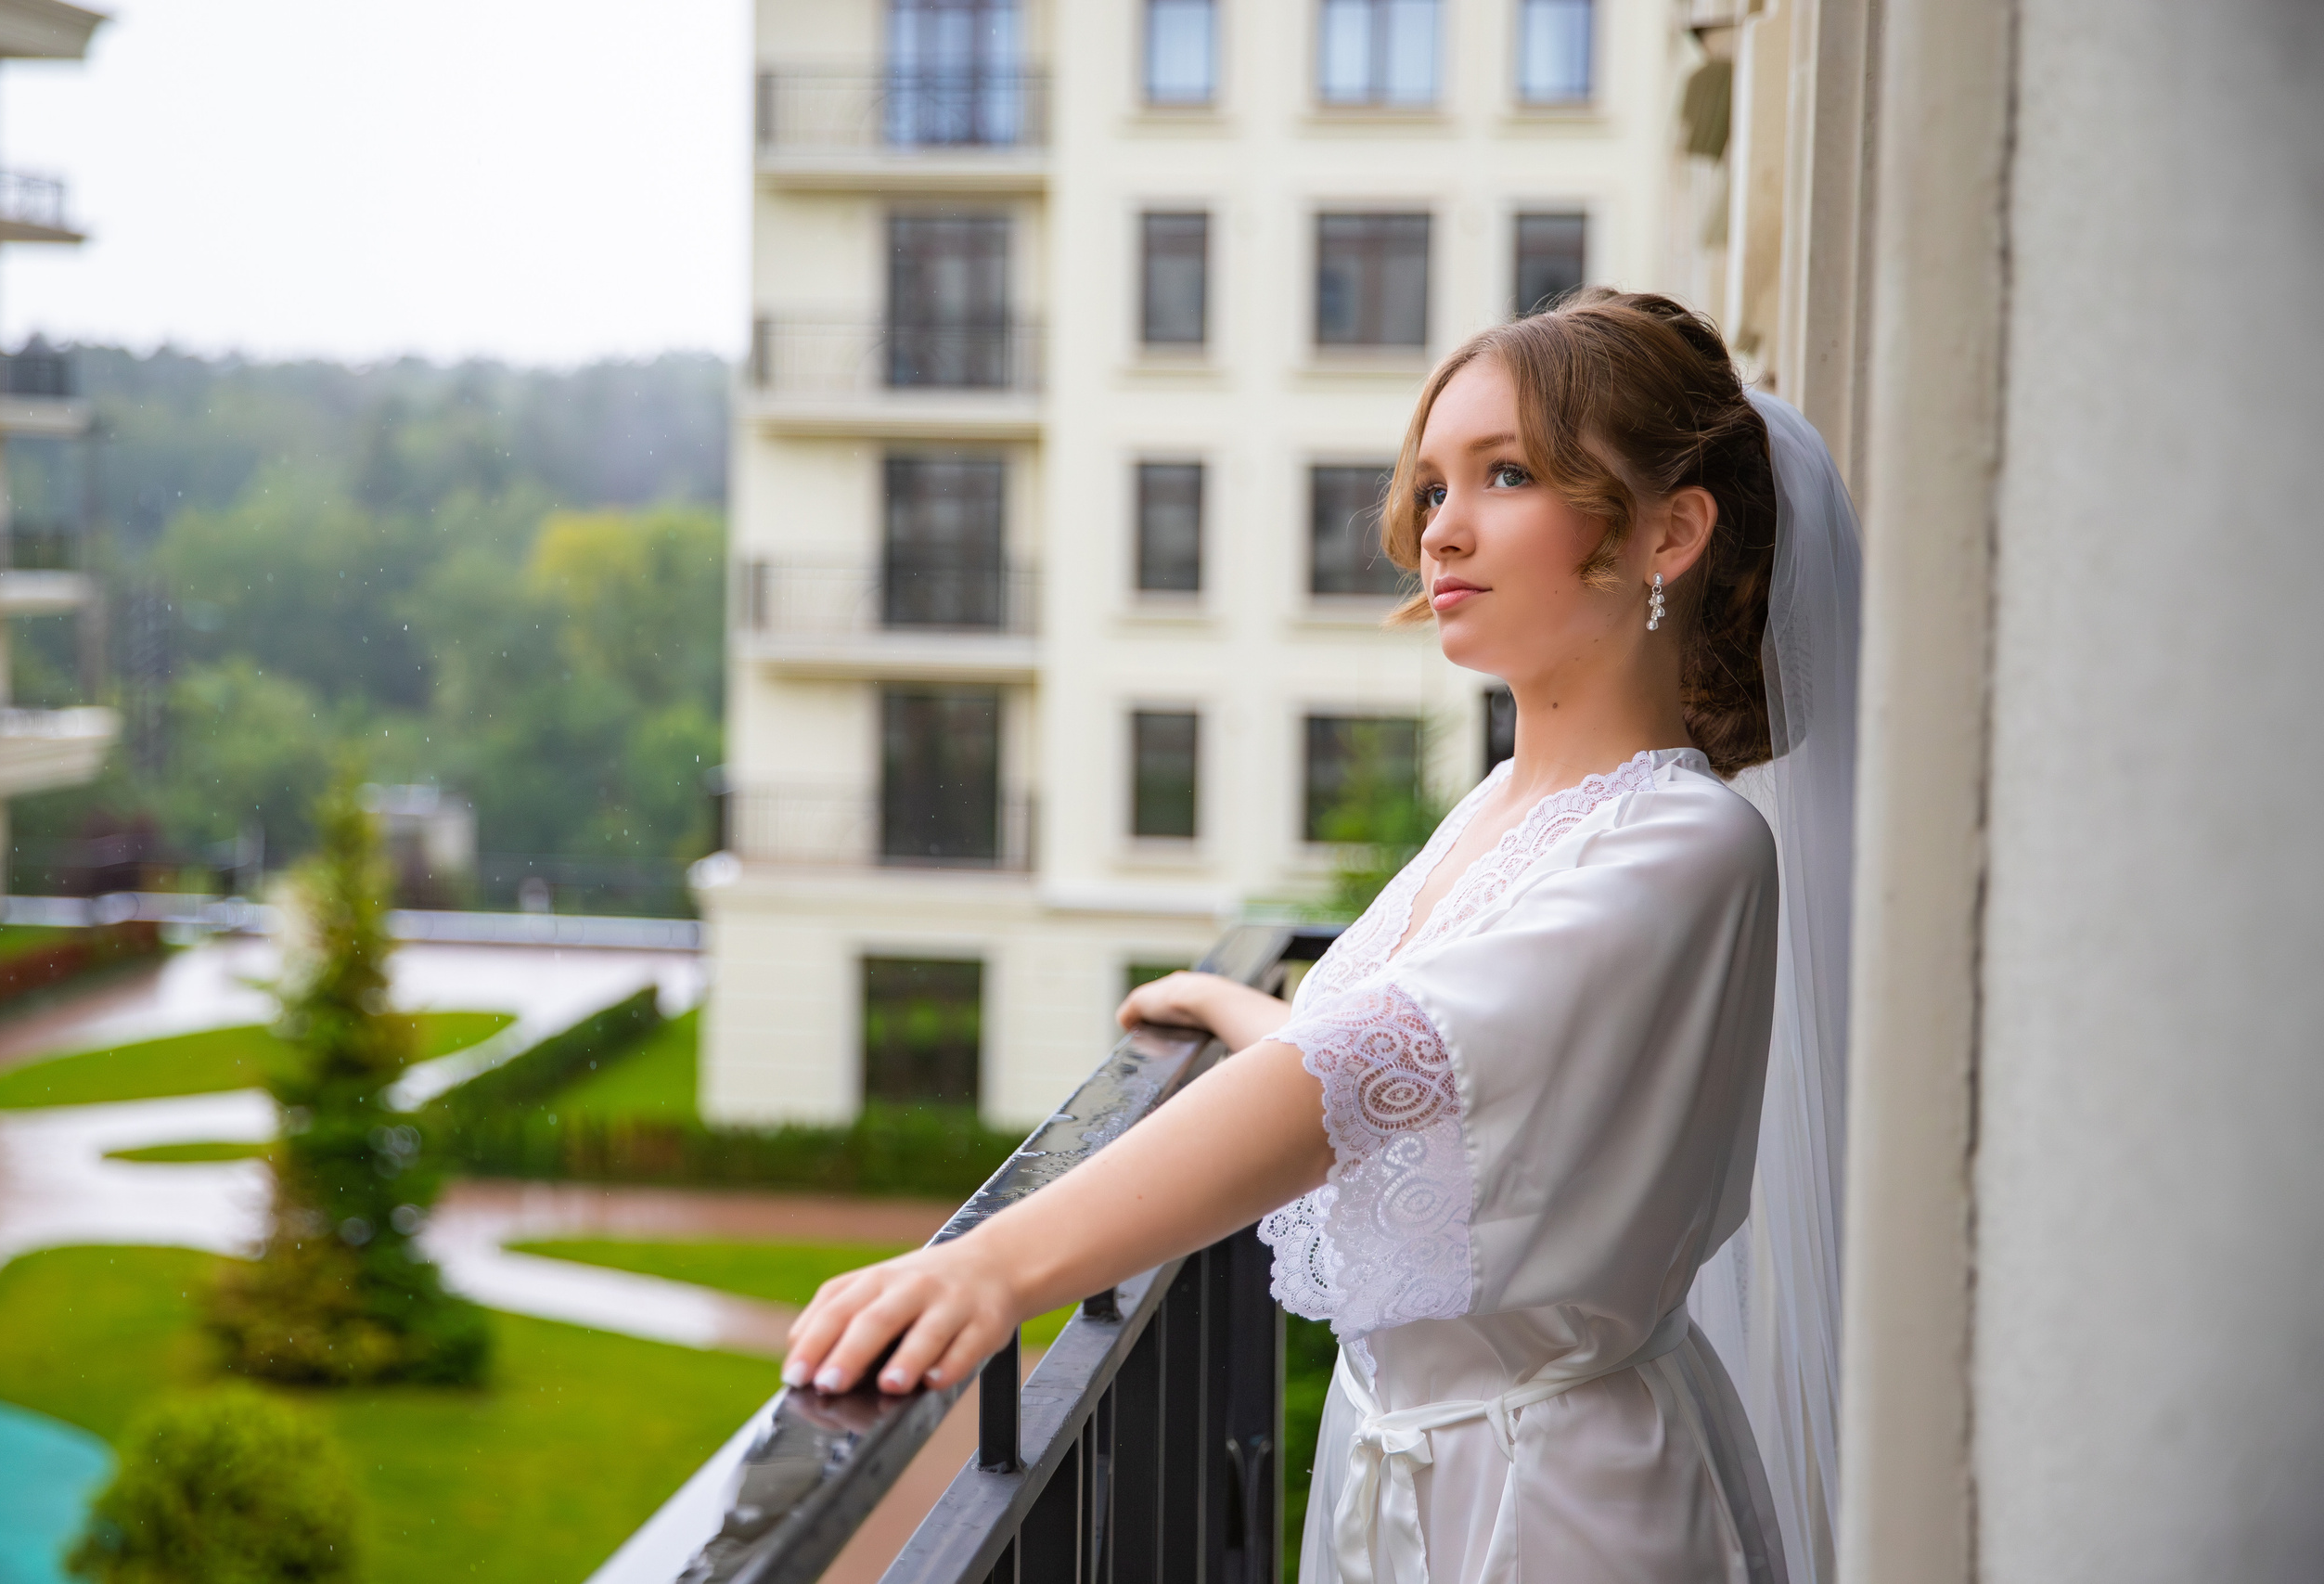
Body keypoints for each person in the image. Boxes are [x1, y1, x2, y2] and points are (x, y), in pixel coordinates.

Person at [782, 289, 1859, 1584]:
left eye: (1507, 474)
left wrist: (993, 1268)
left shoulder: (1681, 842)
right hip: (1403, 1470)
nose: (1439, 528)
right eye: (1433, 485)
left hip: (1557, 1508)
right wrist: (1247, 1016)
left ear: (1668, 531)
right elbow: (1442, 1057)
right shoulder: (1505, 808)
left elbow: (1361, 1069)